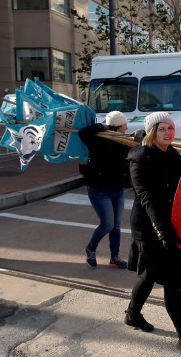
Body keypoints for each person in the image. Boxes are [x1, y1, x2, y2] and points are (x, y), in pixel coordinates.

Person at [124, 111, 181, 356]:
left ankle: (133, 315)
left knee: (170, 280)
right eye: (162, 129)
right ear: (151, 132)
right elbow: (147, 198)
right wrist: (162, 230)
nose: (168, 133)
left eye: (171, 128)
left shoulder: (173, 156)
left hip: (168, 225)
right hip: (149, 226)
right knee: (148, 276)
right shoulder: (139, 158)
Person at [78, 111, 132, 269]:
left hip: (117, 189)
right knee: (107, 224)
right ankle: (90, 248)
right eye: (124, 125)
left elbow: (135, 152)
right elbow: (83, 133)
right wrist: (103, 126)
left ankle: (114, 257)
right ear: (116, 127)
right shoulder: (97, 139)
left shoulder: (122, 142)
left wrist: (138, 138)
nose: (126, 128)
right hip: (99, 189)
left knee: (116, 225)